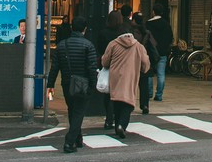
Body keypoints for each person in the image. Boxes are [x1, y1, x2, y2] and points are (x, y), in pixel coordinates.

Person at [47, 17, 99, 153]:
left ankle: (78, 139)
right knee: (78, 111)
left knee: (72, 110)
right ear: (84, 29)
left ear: (71, 28)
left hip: (66, 83)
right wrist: (93, 85)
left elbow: (54, 67)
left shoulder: (62, 45)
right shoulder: (88, 45)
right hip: (82, 83)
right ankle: (69, 141)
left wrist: (50, 84)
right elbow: (92, 68)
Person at [100, 10, 151, 138]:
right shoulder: (138, 46)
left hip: (115, 77)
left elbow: (105, 61)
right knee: (128, 102)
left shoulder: (113, 44)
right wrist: (143, 70)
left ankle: (117, 123)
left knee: (116, 101)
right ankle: (121, 125)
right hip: (131, 77)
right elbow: (145, 63)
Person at [130, 11, 160, 115]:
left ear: (133, 20)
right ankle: (145, 105)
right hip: (144, 60)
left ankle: (129, 104)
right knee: (144, 85)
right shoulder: (146, 32)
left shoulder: (131, 32)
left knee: (130, 84)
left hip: (132, 61)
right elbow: (153, 46)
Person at [145, 2, 174, 102]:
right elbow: (170, 38)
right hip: (162, 53)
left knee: (149, 73)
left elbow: (146, 38)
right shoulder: (166, 24)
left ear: (153, 12)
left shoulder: (148, 23)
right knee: (161, 74)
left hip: (150, 52)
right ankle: (159, 95)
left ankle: (149, 93)